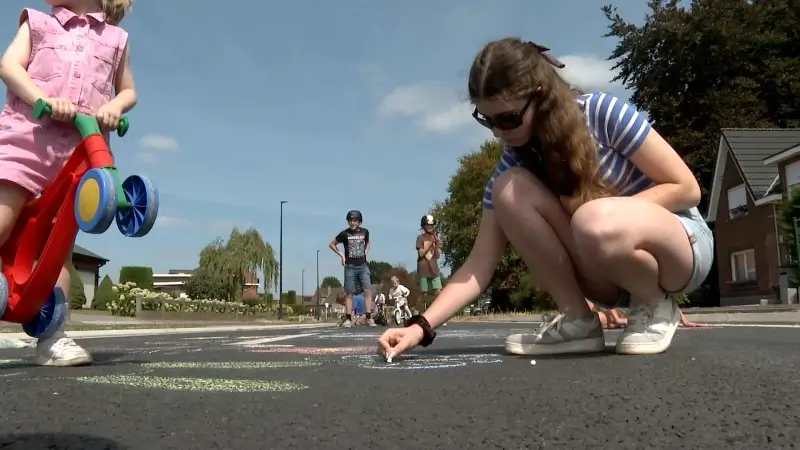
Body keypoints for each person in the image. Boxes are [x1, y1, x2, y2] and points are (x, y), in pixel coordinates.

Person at [378, 37, 713, 359]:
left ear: (539, 97)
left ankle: (655, 303)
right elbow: (478, 266)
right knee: (509, 190)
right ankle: (578, 320)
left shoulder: (601, 113)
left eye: (508, 118)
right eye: (487, 120)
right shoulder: (516, 160)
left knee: (591, 219)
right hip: (608, 273)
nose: (498, 132)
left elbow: (686, 188)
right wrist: (419, 327)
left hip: (681, 249)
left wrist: (607, 218)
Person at [0, 0, 135, 366]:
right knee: (3, 221)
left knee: (57, 250)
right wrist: (41, 97)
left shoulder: (116, 39)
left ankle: (52, 336)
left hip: (77, 154)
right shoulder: (38, 22)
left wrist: (115, 107)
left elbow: (127, 90)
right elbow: (9, 65)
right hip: (26, 141)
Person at [329, 210, 375, 328]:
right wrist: (342, 255)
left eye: (355, 220)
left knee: (368, 290)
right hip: (350, 267)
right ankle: (349, 318)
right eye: (351, 221)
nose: (353, 223)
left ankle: (369, 317)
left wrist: (366, 251)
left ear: (359, 221)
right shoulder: (344, 233)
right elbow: (332, 244)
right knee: (349, 293)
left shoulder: (365, 232)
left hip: (363, 265)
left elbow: (368, 242)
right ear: (348, 222)